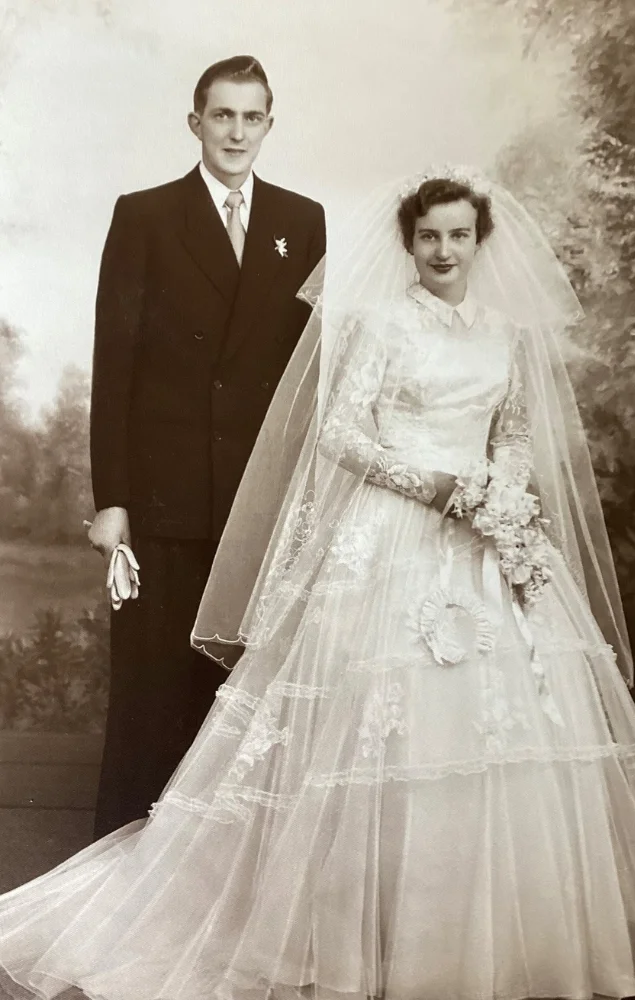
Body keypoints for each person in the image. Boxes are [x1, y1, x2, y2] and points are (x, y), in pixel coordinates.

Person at [0, 168, 635, 1000]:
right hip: (392, 534)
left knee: (504, 718)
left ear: (479, 241)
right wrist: (431, 485)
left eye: (458, 235)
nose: (443, 251)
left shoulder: (505, 333)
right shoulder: (385, 326)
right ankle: (362, 926)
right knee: (378, 719)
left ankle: (492, 931)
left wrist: (498, 497)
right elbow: (341, 433)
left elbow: (513, 434)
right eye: (429, 237)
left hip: (486, 532)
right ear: (409, 244)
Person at [85, 55, 326, 838]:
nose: (236, 132)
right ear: (196, 122)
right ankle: (132, 852)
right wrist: (113, 501)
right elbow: (113, 365)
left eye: (252, 117)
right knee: (155, 687)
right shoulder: (145, 216)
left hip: (260, 495)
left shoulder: (302, 221)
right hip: (167, 493)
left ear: (269, 124)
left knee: (243, 690)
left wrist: (305, 492)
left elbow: (309, 372)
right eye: (222, 115)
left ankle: (224, 859)